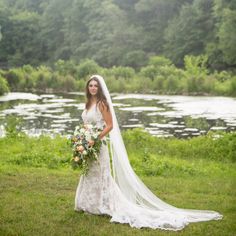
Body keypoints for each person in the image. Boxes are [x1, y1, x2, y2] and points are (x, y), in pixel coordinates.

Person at [74, 75, 223, 231]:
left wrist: (95, 138)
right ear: (87, 87)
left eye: (95, 86)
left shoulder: (102, 104)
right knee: (89, 172)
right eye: (90, 85)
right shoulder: (88, 103)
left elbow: (109, 125)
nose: (92, 88)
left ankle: (101, 206)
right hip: (88, 144)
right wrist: (82, 138)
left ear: (100, 88)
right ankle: (86, 203)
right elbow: (86, 124)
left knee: (100, 174)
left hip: (98, 144)